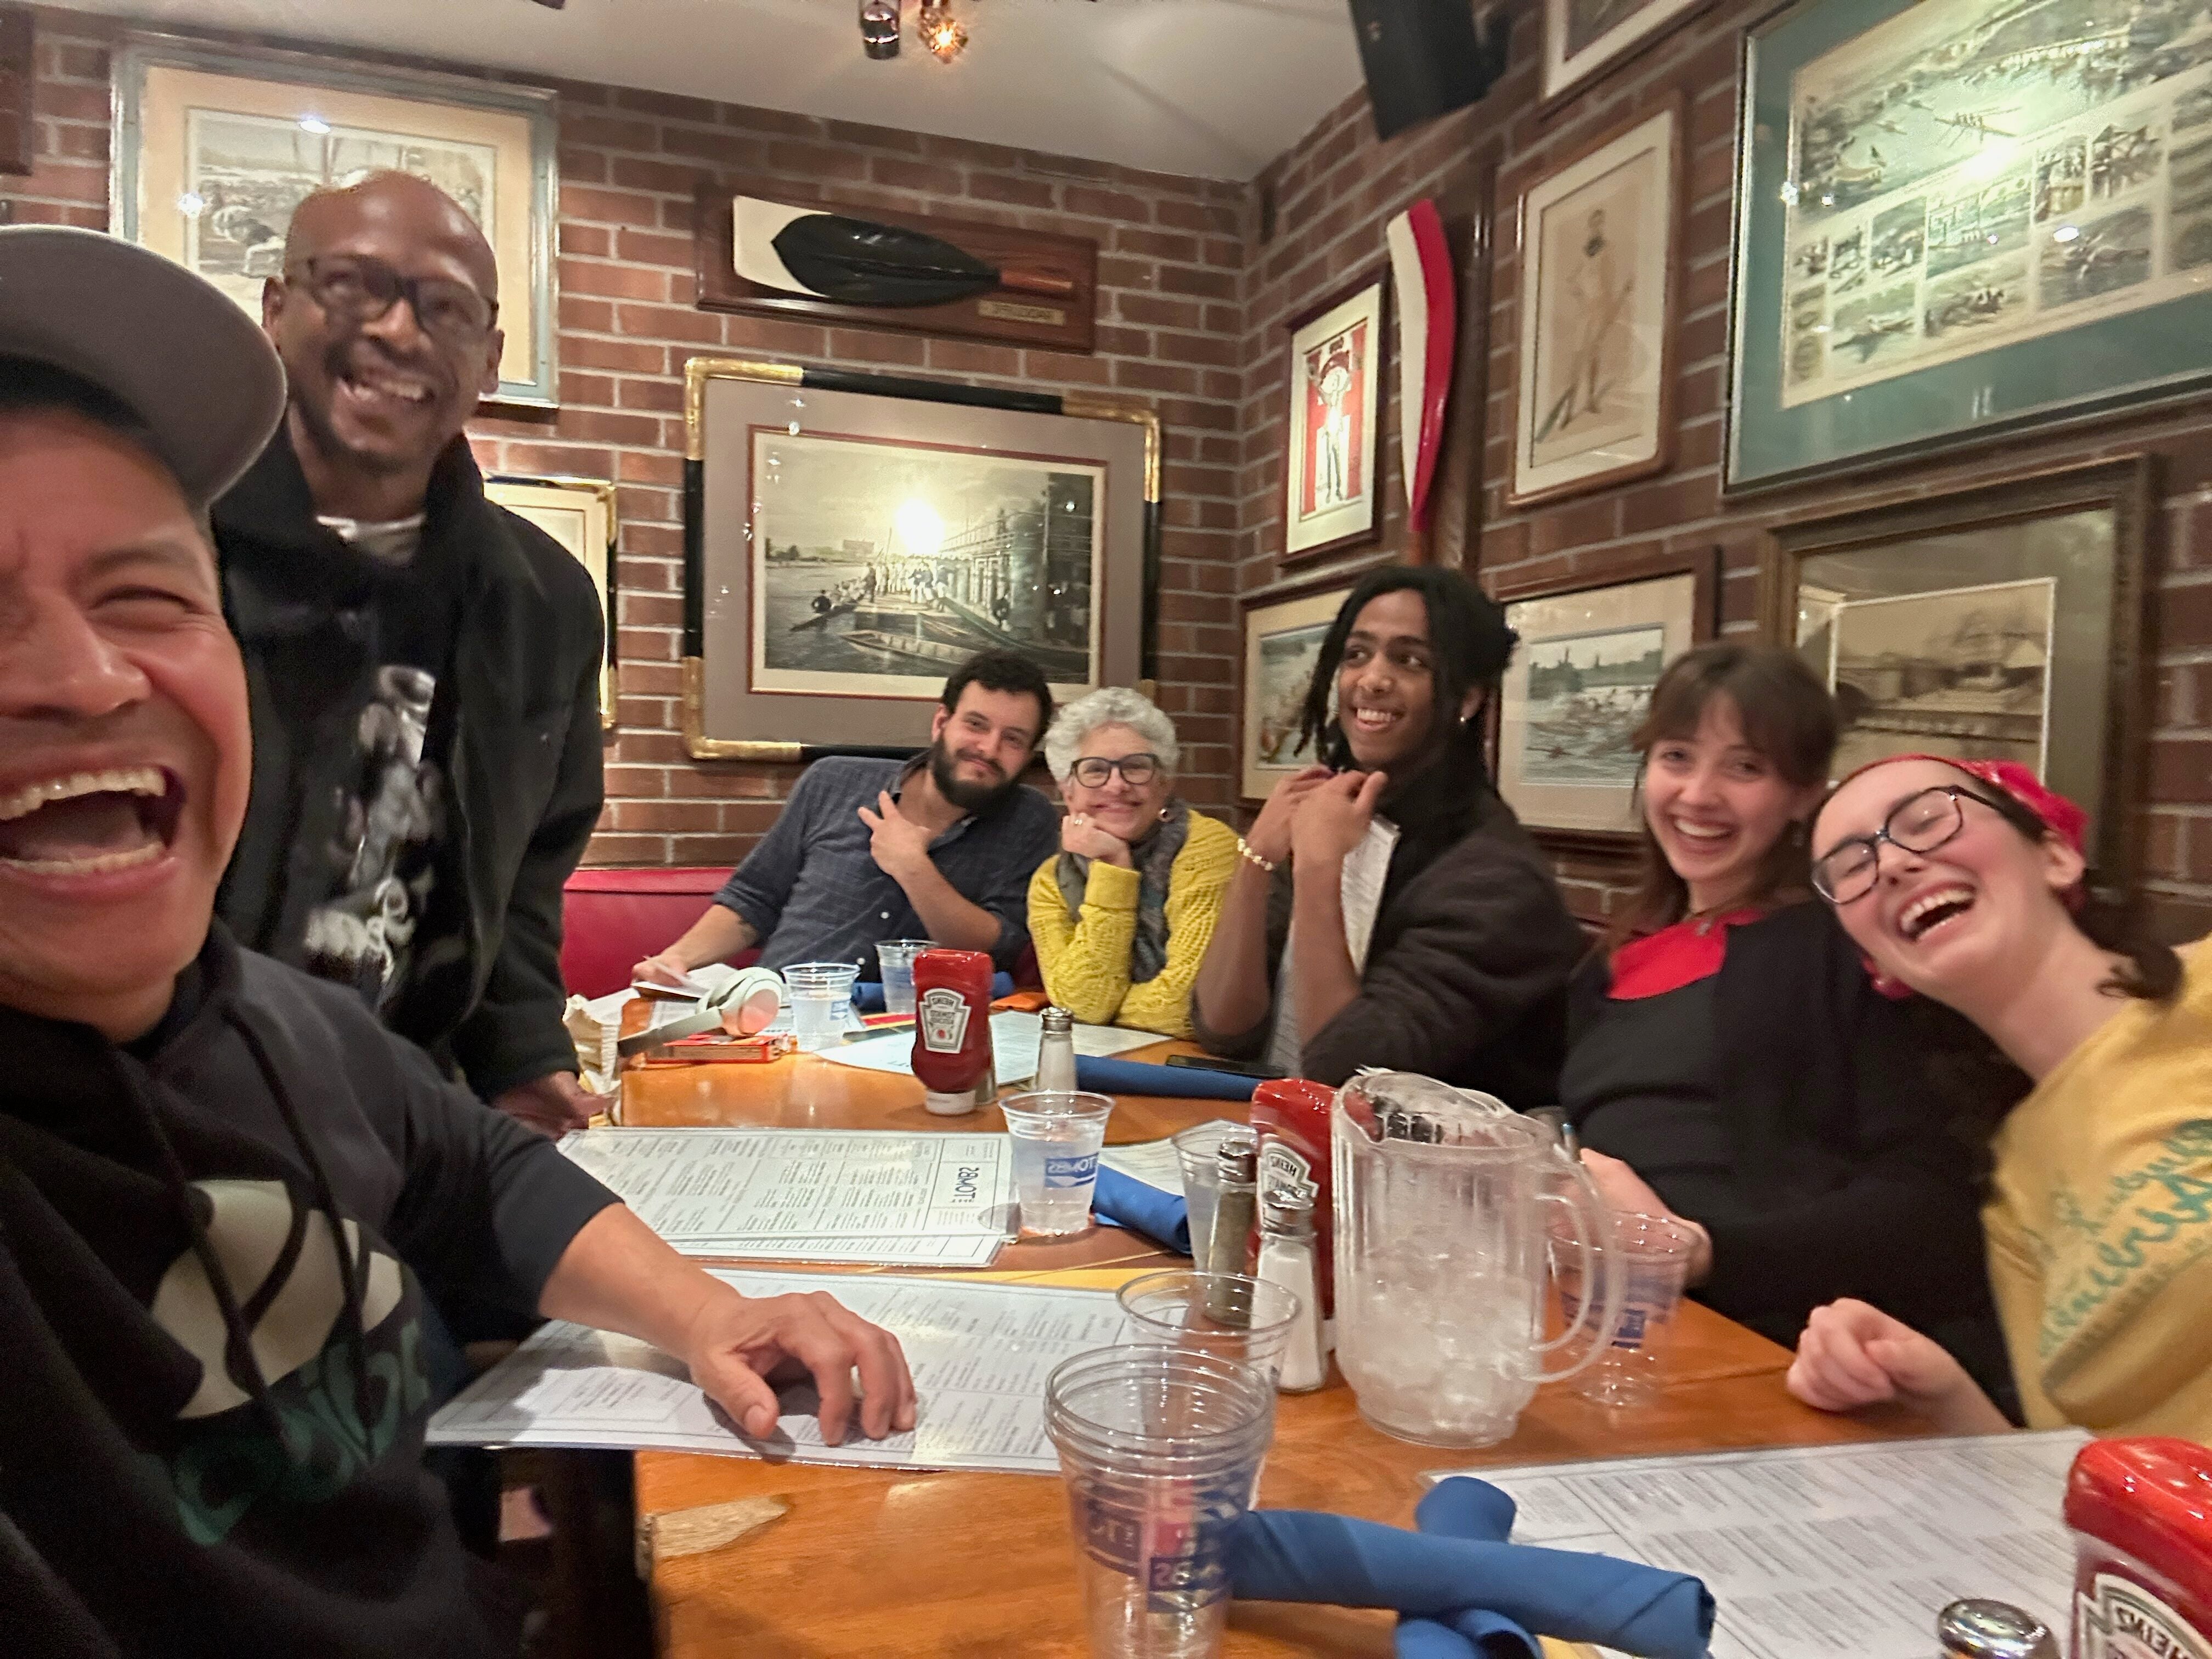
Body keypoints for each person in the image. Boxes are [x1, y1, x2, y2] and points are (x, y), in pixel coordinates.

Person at [0, 225, 913, 1658]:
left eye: (143, 598)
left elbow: (471, 1160)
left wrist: (707, 1312)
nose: (86, 673)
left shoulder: (271, 1027)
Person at [210, 171, 606, 1137]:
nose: (395, 331)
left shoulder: (544, 598)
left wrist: (522, 1052)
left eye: (446, 308)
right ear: (276, 307)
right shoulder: (167, 543)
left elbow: (526, 872)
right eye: (352, 284)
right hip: (154, 1110)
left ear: (491, 355)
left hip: (405, 1114)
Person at [1560, 646, 2012, 1388]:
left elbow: (1934, 1211)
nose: (1697, 795)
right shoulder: (1609, 966)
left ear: (1804, 795)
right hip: (1621, 1347)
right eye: (1677, 757)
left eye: (1744, 768)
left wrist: (1699, 1252)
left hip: (1793, 1362)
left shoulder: (1844, 946)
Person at [1790, 753, 2209, 1441]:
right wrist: (1938, 1392)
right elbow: (2061, 1470)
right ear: (1878, 965)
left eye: (1927, 820)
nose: (1892, 865)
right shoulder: (2014, 1183)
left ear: (2054, 856)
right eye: (1852, 868)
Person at [1189, 566, 1583, 1099]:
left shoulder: (1496, 880)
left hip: (1437, 1170)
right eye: (1357, 655)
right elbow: (1223, 1029)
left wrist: (1319, 870)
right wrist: (1257, 858)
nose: (1371, 679)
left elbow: (1350, 1078)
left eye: (1410, 660)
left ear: (1466, 699)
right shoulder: (1334, 810)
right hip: (1294, 1148)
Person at [635, 649, 1059, 985]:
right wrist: (677, 960)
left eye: (1013, 740)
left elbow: (998, 949)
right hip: (776, 1015)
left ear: (1028, 755)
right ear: (941, 723)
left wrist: (914, 868)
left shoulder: (1028, 820)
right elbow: (755, 899)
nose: (988, 748)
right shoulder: (833, 781)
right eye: (976, 725)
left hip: (903, 1037)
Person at [1028, 687, 1238, 1037]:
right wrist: (1115, 868)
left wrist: (1107, 1010)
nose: (1117, 786)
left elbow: (1189, 1009)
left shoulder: (1207, 849)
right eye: (1095, 771)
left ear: (1165, 782)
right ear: (1068, 792)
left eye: (1136, 768)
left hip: (1200, 1067)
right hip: (1107, 1062)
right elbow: (1080, 1006)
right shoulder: (1051, 881)